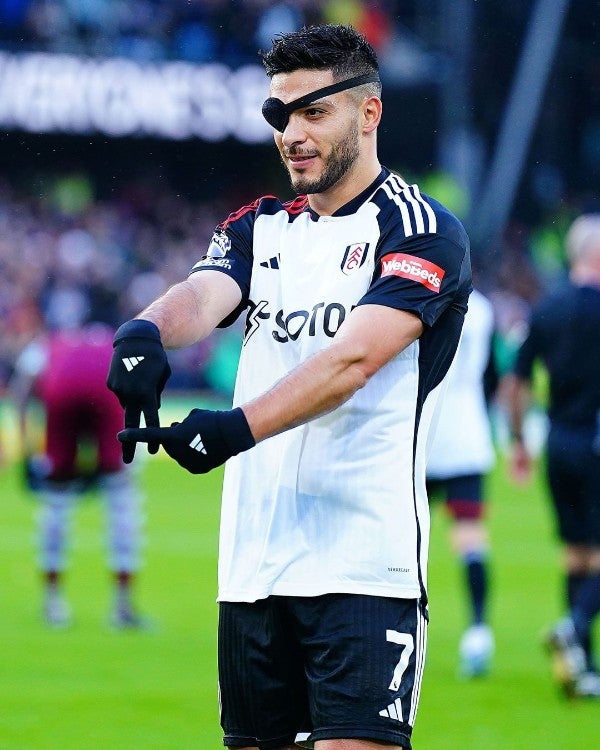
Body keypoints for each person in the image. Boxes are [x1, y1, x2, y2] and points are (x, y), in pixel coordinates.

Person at [107, 24, 471, 750]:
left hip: (367, 568)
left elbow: (354, 360)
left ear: (368, 114)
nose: (291, 134)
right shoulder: (258, 228)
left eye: (313, 112)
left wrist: (236, 428)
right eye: (280, 114)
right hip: (252, 571)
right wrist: (141, 334)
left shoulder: (420, 230)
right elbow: (200, 296)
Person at [507, 213, 600, 699]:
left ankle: (582, 665)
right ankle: (574, 624)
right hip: (596, 442)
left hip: (557, 442)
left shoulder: (546, 310)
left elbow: (515, 381)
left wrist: (519, 441)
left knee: (578, 552)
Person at [10, 318, 145, 629]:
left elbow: (21, 390)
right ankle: (122, 607)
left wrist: (28, 449)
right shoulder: (115, 343)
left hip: (61, 393)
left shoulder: (49, 343)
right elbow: (141, 385)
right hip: (108, 394)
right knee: (122, 500)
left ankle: (52, 603)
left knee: (56, 501)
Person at [426, 288, 496, 678]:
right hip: (468, 434)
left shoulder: (422, 292)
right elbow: (490, 375)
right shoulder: (482, 307)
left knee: (405, 535)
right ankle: (478, 632)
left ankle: (397, 629)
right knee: (470, 537)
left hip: (424, 432)